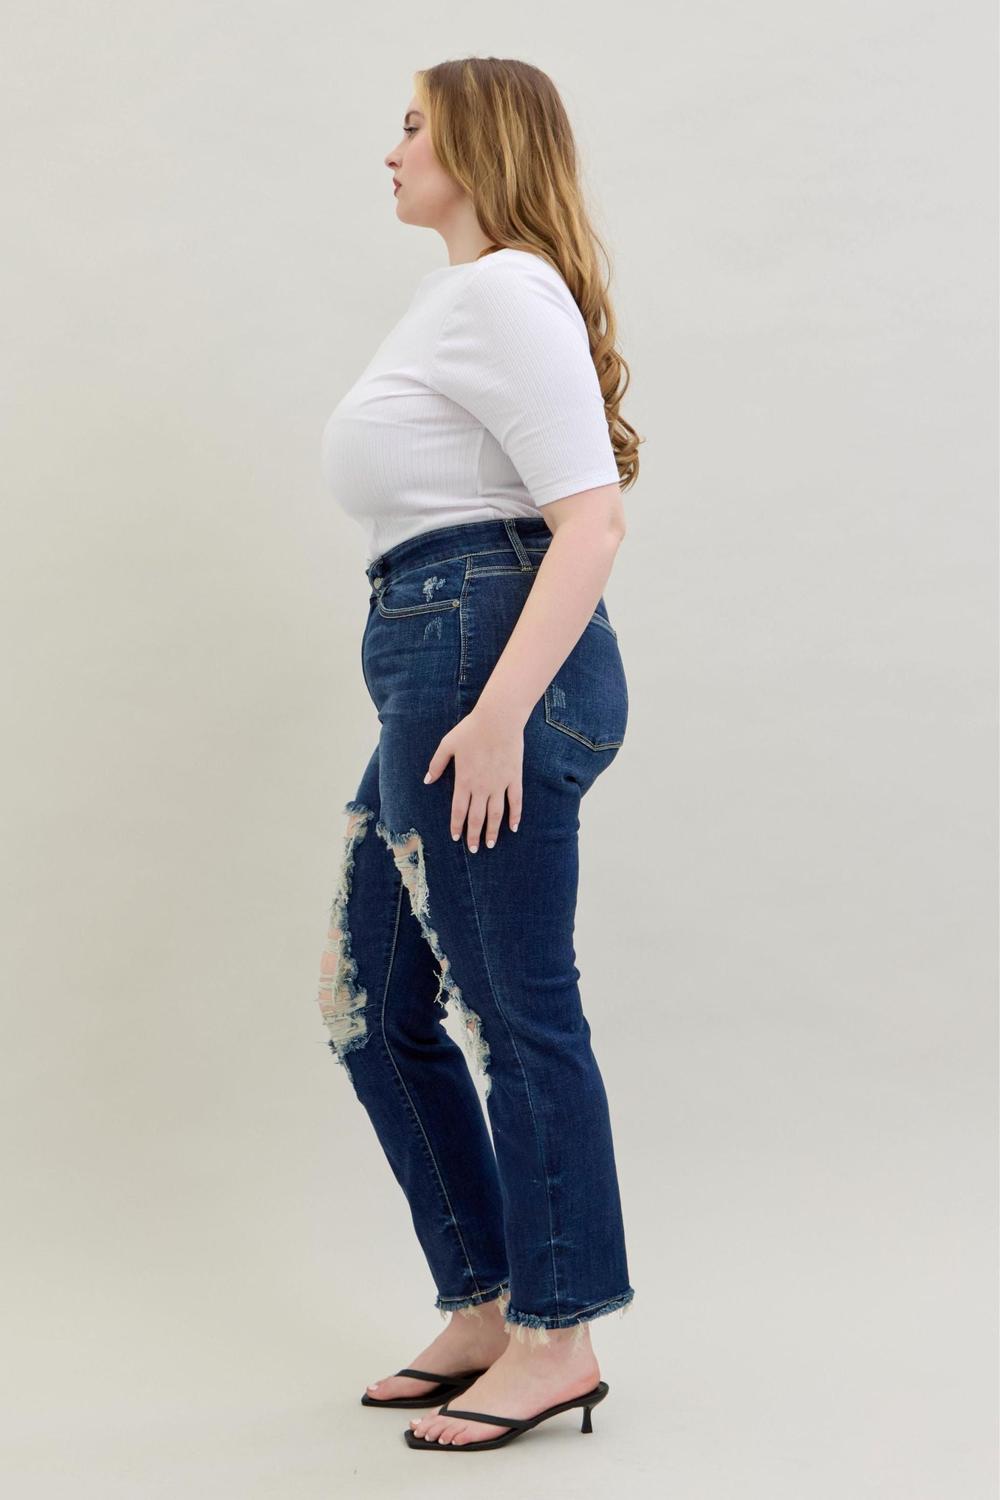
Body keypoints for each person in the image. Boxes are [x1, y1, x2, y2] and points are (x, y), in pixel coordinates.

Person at [316, 56, 645, 1451]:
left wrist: (503, 710)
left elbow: (591, 520)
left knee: (516, 1012)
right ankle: (489, 1296)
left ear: (477, 141)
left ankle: (558, 1338)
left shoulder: (508, 289)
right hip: (433, 650)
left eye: (413, 127)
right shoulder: (463, 297)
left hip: (484, 657)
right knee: (374, 1004)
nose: (392, 150)